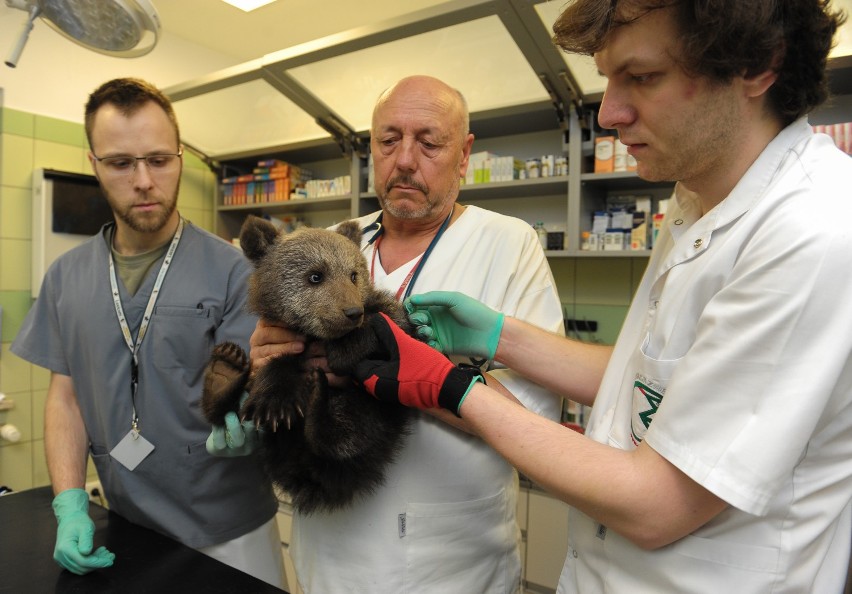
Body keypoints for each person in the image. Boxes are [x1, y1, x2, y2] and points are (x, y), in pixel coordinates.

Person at [353, 2, 852, 593]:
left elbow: (655, 505)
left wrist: (451, 385)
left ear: (757, 66)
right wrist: (498, 335)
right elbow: (647, 377)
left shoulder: (812, 230)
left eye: (641, 77)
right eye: (609, 80)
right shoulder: (696, 197)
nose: (610, 112)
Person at [236, 75, 565, 593]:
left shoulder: (507, 243)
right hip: (329, 547)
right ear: (372, 148)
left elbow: (537, 422)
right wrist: (269, 363)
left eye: (429, 142)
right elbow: (276, 346)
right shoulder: (336, 241)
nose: (405, 160)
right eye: (389, 141)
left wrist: (418, 377)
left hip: (451, 560)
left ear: (464, 153)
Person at [11, 78, 285, 587]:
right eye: (121, 163)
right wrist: (70, 503)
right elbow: (65, 398)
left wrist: (256, 422)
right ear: (93, 163)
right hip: (126, 524)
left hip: (230, 531)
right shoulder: (65, 278)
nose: (143, 180)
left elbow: (267, 383)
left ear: (179, 157)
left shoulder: (235, 271)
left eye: (159, 160)